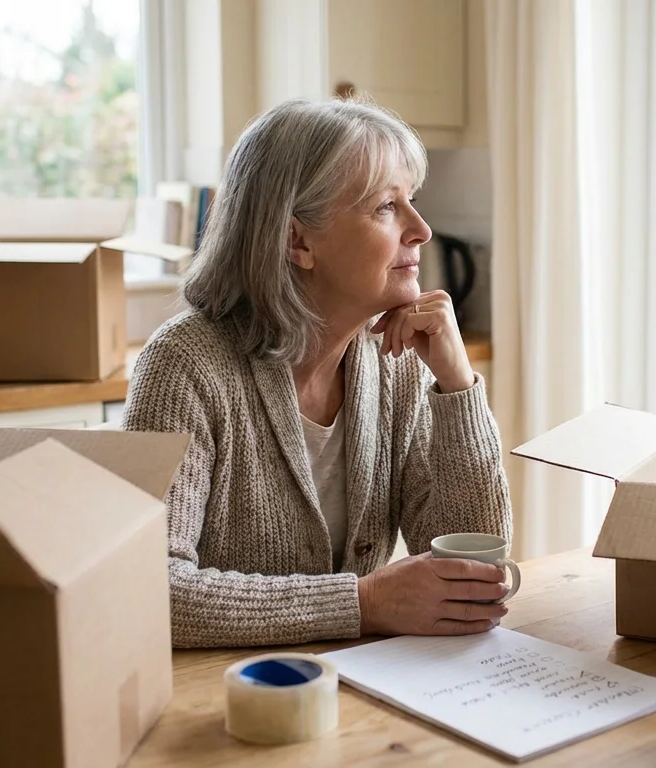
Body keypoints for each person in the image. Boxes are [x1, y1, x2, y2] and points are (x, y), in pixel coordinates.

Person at [121, 98, 514, 648]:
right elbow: (148, 589)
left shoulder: (393, 362)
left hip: (367, 688)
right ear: (297, 241)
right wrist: (366, 602)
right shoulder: (185, 366)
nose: (421, 229)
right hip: (228, 698)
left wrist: (456, 385)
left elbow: (473, 573)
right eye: (385, 207)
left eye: (413, 202)